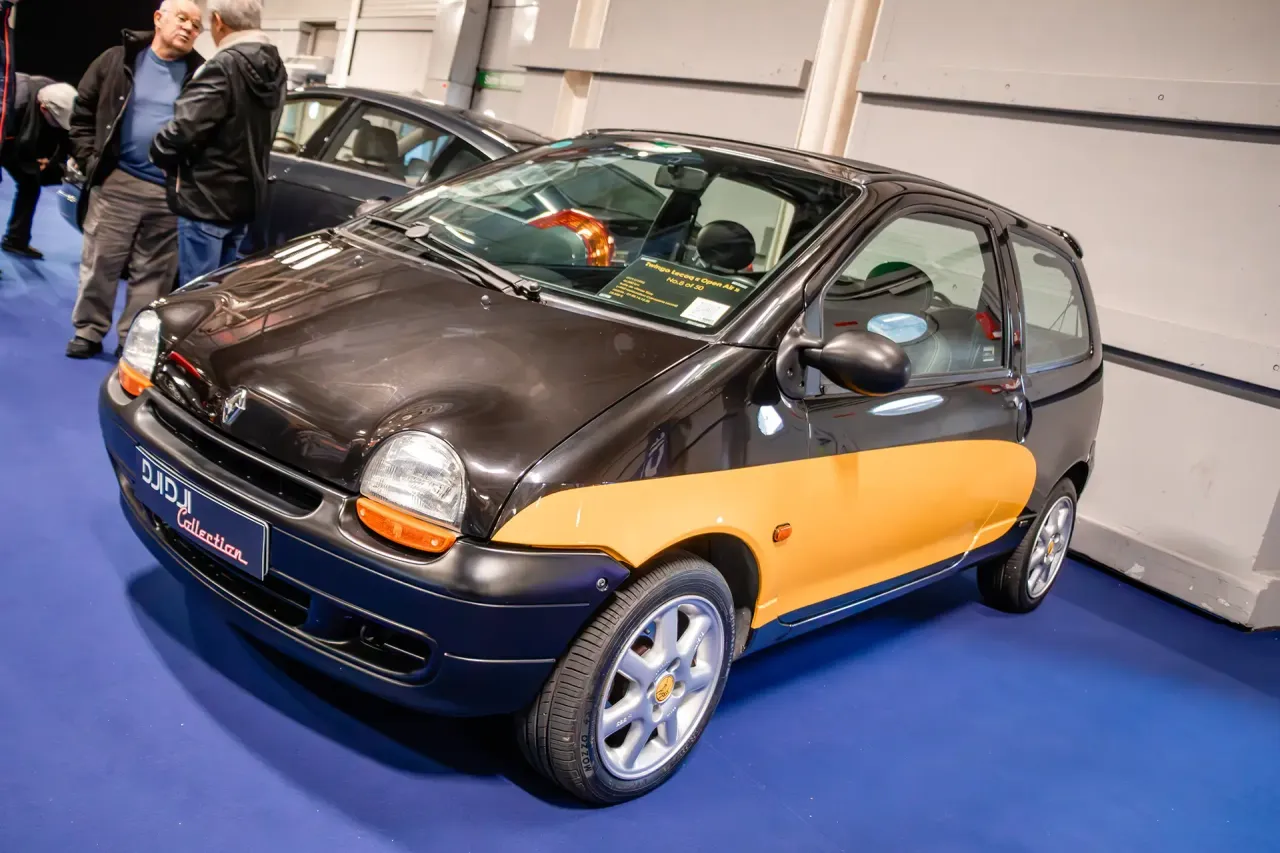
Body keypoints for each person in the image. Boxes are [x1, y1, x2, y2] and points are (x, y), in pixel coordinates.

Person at [65, 0, 204, 360]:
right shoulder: (117, 60)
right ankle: (88, 330)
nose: (189, 28)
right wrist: (90, 160)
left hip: (168, 192)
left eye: (196, 25)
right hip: (118, 182)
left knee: (154, 275)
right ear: (158, 19)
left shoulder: (201, 75)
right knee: (100, 263)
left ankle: (132, 339)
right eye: (182, 19)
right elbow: (83, 111)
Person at [151, 0, 286, 285]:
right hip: (244, 201)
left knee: (195, 292)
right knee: (220, 289)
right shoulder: (275, 67)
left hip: (205, 201)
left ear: (217, 21)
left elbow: (183, 130)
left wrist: (158, 153)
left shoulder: (222, 66)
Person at [1, 75, 76, 258]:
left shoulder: (61, 98)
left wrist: (54, 164)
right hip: (4, 131)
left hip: (15, 140)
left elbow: (67, 137)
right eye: (56, 122)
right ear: (43, 108)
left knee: (30, 182)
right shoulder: (14, 101)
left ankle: (16, 240)